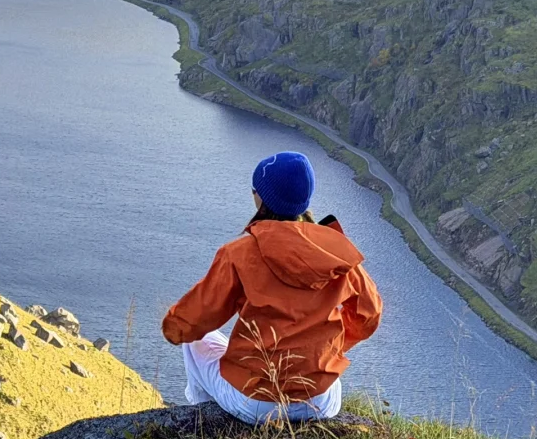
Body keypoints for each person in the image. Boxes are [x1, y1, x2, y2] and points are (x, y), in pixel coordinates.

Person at [162, 151, 383, 424]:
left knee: (194, 342)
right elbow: (369, 314)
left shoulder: (239, 253)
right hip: (321, 400)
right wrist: (330, 348)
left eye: (255, 190)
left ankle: (204, 421)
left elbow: (194, 320)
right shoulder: (336, 251)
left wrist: (172, 327)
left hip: (256, 403)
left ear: (261, 198)